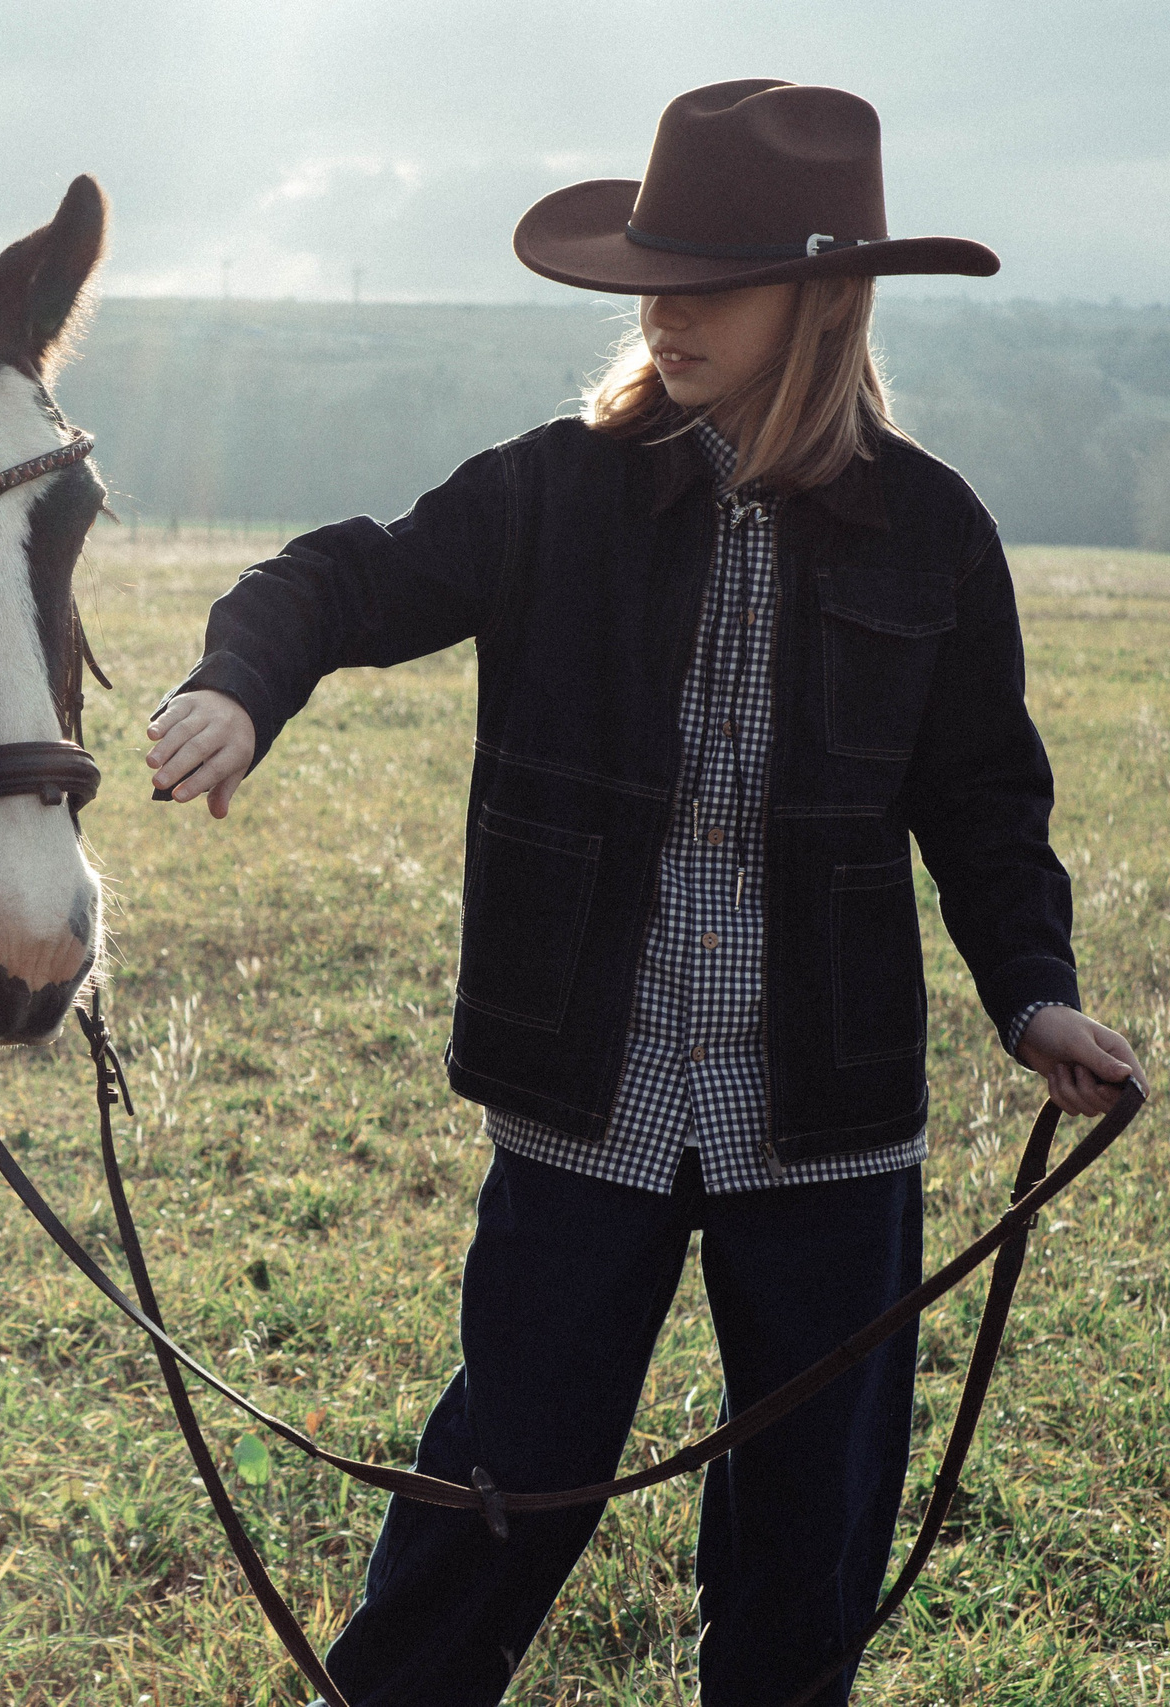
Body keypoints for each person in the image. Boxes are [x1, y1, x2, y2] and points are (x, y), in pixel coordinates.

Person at [143, 80, 1147, 1707]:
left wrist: (1034, 996)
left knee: (805, 1566)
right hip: (582, 1110)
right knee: (494, 1505)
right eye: (648, 276)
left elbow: (985, 807)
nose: (661, 311)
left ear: (820, 298)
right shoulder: (557, 491)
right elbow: (342, 573)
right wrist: (247, 683)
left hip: (829, 1133)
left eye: (709, 279)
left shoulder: (936, 536)